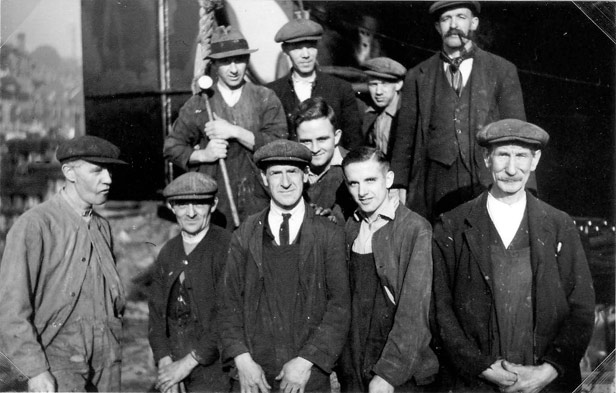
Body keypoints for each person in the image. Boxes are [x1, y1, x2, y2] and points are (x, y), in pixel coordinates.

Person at [432, 119, 595, 392]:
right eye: (502, 155)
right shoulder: (452, 225)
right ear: (486, 158)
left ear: (535, 160)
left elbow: (581, 308)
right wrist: (481, 366)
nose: (511, 169)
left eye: (521, 156)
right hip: (475, 383)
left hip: (546, 384)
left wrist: (548, 371)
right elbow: (440, 311)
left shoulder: (558, 224)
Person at [218, 139, 351, 393]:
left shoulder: (329, 235)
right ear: (264, 179)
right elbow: (227, 304)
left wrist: (305, 362)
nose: (285, 182)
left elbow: (340, 307)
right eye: (276, 173)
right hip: (254, 377)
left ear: (307, 175)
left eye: (292, 172)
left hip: (307, 376)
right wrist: (242, 360)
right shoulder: (245, 233)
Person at [0, 135, 127, 392]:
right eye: (97, 171)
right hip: (58, 355)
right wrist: (35, 370)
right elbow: (12, 308)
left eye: (110, 170)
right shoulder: (34, 225)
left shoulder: (102, 226)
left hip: (106, 354)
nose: (108, 179)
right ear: (69, 172)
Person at [390, 1, 526, 221]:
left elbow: (519, 134)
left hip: (485, 176)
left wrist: (525, 187)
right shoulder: (418, 75)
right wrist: (397, 183)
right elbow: (405, 136)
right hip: (434, 181)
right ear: (437, 27)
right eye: (446, 19)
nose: (453, 25)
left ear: (474, 23)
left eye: (461, 17)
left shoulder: (502, 70)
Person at [164, 25, 288, 230]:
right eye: (225, 61)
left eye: (239, 60)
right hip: (216, 203)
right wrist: (204, 155)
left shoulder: (264, 97)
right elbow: (172, 148)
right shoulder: (199, 103)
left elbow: (279, 145)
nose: (233, 68)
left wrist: (235, 131)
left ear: (247, 61)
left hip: (260, 199)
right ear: (213, 64)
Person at [337, 147, 438, 393]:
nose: (362, 192)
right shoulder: (351, 227)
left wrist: (389, 374)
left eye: (371, 180)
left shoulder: (414, 229)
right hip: (355, 363)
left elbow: (414, 313)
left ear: (389, 179)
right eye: (354, 183)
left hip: (398, 371)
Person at [148, 172, 231, 393]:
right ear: (171, 206)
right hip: (175, 367)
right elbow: (156, 315)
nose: (191, 213)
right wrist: (165, 363)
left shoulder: (227, 247)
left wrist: (186, 364)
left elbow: (228, 317)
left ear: (213, 205)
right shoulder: (168, 251)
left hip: (216, 371)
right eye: (183, 204)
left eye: (200, 204)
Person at [267, 18, 363, 150]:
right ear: (285, 49)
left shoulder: (341, 89)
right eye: (297, 48)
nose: (305, 55)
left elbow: (354, 142)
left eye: (311, 46)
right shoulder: (272, 92)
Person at [294, 97, 355, 224]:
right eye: (306, 141)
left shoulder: (355, 167)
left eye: (322, 139)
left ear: (337, 137)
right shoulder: (291, 169)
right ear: (296, 141)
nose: (315, 149)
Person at [360, 57, 406, 156]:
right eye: (373, 84)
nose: (378, 92)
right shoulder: (369, 113)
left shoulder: (406, 114)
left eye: (384, 84)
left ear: (398, 85)